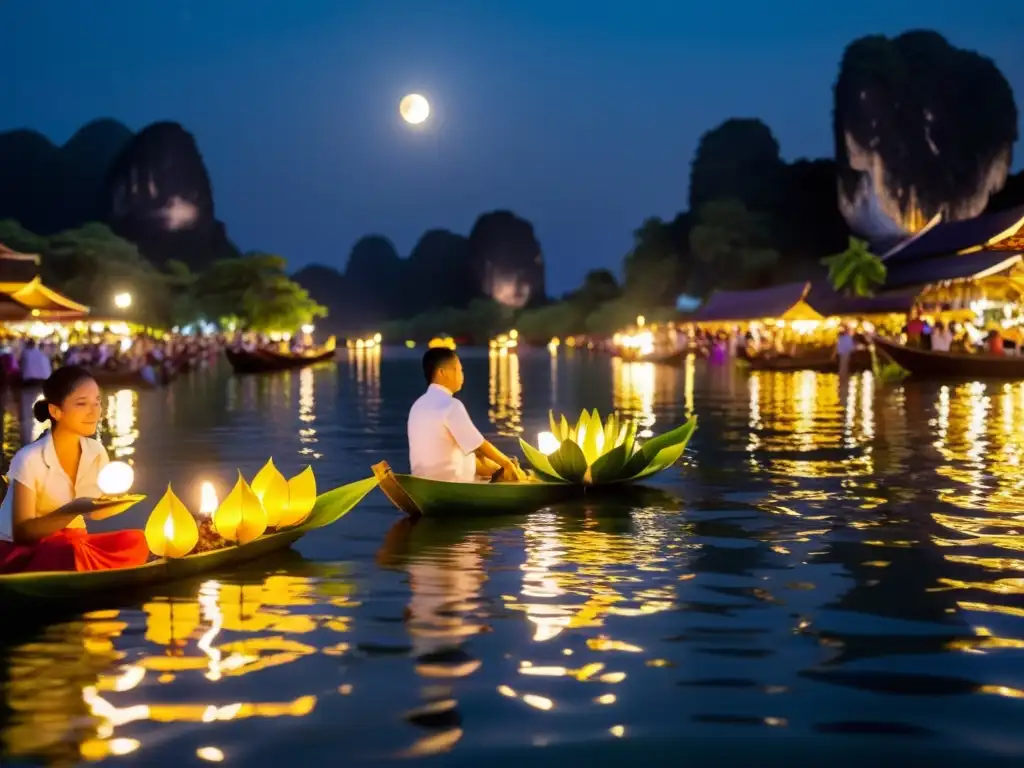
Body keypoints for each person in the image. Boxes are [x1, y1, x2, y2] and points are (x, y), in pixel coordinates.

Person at [0, 366, 149, 573]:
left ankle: (87, 568)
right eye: (82, 404)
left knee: (136, 540)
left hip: (75, 541)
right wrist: (73, 510)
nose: (94, 411)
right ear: (55, 411)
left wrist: (117, 502)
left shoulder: (96, 452)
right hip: (24, 549)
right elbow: (22, 532)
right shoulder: (29, 458)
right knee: (69, 551)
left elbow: (94, 514)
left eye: (97, 402)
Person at [408, 348, 524, 483]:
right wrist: (506, 463)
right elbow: (479, 444)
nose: (462, 375)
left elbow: (471, 444)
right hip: (451, 479)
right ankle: (514, 476)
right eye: (458, 370)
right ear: (442, 372)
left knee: (476, 456)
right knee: (484, 459)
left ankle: (506, 473)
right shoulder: (451, 405)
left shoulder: (417, 405)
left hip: (422, 478)